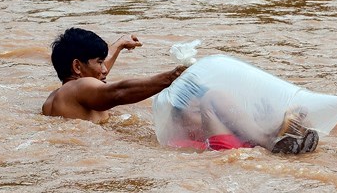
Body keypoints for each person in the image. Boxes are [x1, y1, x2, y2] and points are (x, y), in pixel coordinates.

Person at [42, 27, 186, 122]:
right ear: (77, 66)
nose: (105, 70)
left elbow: (95, 77)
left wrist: (120, 44)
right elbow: (119, 92)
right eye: (99, 62)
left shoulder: (57, 95)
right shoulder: (79, 87)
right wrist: (173, 76)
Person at [167, 87, 319, 154]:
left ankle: (289, 134)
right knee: (212, 96)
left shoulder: (231, 127)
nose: (205, 117)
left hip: (248, 149)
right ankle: (269, 139)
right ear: (181, 122)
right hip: (222, 150)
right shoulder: (180, 144)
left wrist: (262, 121)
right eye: (198, 112)